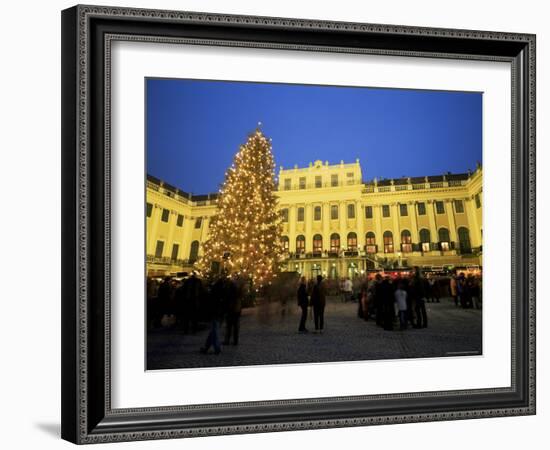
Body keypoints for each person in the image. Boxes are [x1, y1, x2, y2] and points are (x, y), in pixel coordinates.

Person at [200, 274, 226, 355]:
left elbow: (210, 301)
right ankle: (208, 347)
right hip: (218, 312)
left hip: (215, 312)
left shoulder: (215, 290)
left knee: (214, 330)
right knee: (214, 330)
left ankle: (213, 347)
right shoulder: (221, 290)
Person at [223, 277, 242, 345]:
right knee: (235, 327)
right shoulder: (237, 293)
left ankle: (228, 340)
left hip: (232, 311)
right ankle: (235, 340)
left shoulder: (231, 294)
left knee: (229, 326)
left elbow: (230, 303)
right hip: (236, 311)